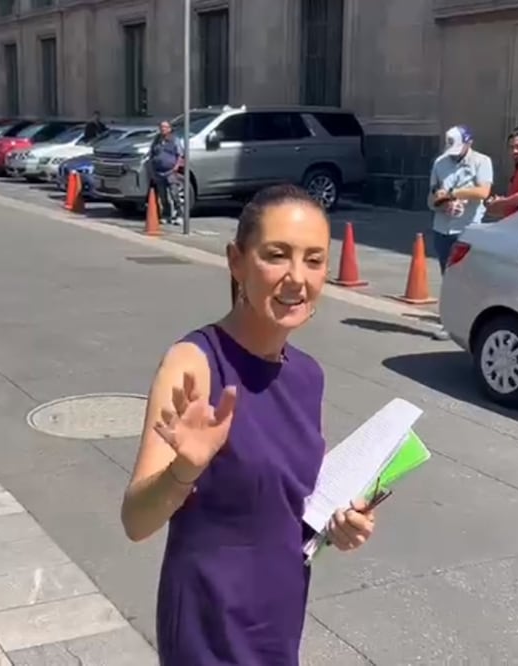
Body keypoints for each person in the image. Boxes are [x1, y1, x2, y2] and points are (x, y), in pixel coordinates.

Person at [121, 184, 379, 665]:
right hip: (207, 625)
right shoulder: (195, 363)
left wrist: (342, 524)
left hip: (279, 616)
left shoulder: (308, 375)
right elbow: (135, 521)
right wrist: (184, 470)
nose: (296, 278)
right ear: (236, 261)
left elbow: (290, 505)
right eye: (276, 255)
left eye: (314, 260)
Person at [426, 125, 493, 341]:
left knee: (469, 278)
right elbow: (432, 196)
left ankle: (473, 321)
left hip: (467, 229)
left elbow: (483, 191)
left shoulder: (482, 162)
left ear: (469, 143)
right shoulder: (440, 163)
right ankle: (449, 322)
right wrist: (441, 202)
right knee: (448, 277)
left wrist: (455, 193)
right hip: (442, 228)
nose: (453, 155)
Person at [148, 121, 184, 225]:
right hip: (159, 172)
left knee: (174, 193)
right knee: (163, 196)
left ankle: (179, 215)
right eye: (161, 127)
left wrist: (176, 167)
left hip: (171, 171)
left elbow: (180, 155)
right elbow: (152, 154)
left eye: (165, 127)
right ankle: (166, 215)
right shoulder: (157, 140)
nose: (163, 129)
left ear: (169, 128)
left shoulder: (174, 140)